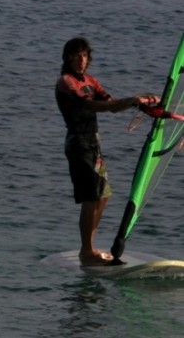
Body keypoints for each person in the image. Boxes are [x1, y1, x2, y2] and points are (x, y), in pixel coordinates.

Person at [55, 37, 154, 266]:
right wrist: (129, 102)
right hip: (78, 144)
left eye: (84, 56)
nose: (81, 60)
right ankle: (86, 252)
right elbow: (92, 106)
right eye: (76, 56)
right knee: (91, 197)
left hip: (94, 144)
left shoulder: (91, 81)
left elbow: (111, 102)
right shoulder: (66, 83)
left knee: (104, 196)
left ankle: (90, 246)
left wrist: (145, 103)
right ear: (68, 58)